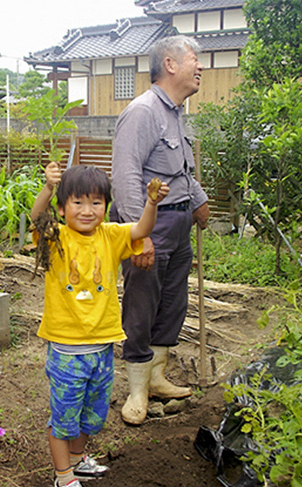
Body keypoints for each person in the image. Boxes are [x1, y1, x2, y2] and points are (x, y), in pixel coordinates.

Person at [31, 162, 169, 487]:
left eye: (96, 202)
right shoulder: (57, 238)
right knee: (64, 420)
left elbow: (141, 230)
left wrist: (152, 203)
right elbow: (37, 218)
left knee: (91, 416)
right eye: (77, 202)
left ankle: (78, 460)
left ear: (106, 206)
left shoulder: (111, 235)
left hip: (103, 349)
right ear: (63, 209)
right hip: (66, 352)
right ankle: (63, 477)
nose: (88, 210)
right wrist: (48, 189)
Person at [110, 35, 210, 425]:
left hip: (179, 221)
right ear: (170, 64)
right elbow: (125, 177)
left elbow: (181, 170)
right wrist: (139, 234)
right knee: (141, 305)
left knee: (172, 303)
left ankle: (157, 376)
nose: (201, 67)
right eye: (195, 59)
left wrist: (198, 199)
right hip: (150, 223)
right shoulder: (143, 112)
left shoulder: (175, 112)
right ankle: (136, 390)